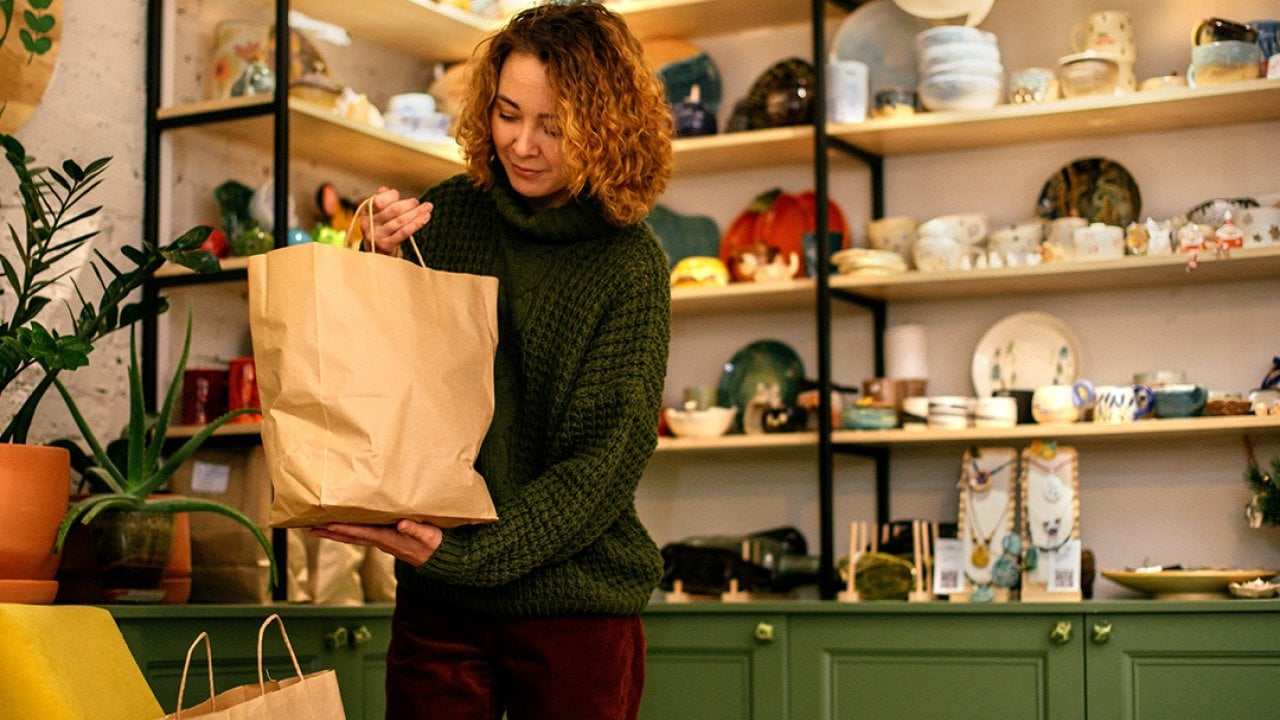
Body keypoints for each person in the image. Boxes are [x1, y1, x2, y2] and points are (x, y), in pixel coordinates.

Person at [307, 2, 674, 718]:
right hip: (438, 604)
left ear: (606, 128)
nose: (522, 144)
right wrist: (375, 263)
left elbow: (601, 466)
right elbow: (380, 377)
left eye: (554, 125)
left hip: (575, 609)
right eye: (508, 114)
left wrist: (467, 554)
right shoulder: (448, 217)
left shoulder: (630, 265)